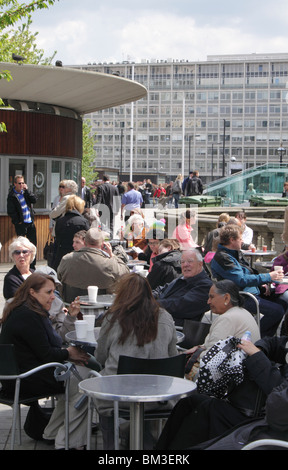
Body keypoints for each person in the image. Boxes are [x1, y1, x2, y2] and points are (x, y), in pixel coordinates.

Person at [0, 272, 90, 450]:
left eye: (54, 292)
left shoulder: (23, 310)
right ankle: (66, 441)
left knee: (77, 380)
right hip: (27, 380)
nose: (53, 297)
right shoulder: (29, 316)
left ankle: (51, 432)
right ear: (32, 292)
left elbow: (51, 346)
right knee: (85, 383)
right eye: (49, 292)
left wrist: (70, 320)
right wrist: (68, 353)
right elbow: (48, 354)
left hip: (18, 378)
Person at [156, 335, 288, 450]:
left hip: (264, 421)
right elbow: (274, 343)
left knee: (204, 411)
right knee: (188, 403)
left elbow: (279, 399)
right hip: (257, 408)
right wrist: (260, 349)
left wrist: (256, 356)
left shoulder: (228, 318)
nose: (208, 303)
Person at [94, 272, 178, 449]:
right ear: (149, 292)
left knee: (97, 390)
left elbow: (100, 357)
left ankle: (111, 446)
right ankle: (144, 442)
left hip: (117, 397)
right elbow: (172, 356)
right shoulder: (165, 317)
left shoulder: (112, 318)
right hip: (159, 398)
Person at [211, 224, 286, 337]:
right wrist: (269, 277)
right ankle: (256, 337)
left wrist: (262, 284)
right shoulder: (223, 257)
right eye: (240, 239)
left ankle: (273, 339)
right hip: (241, 296)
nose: (242, 241)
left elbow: (248, 274)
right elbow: (241, 280)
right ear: (232, 240)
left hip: (251, 292)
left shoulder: (235, 253)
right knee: (277, 311)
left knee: (284, 301)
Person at [185, 280, 261, 367]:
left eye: (212, 297)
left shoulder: (227, 319)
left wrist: (194, 355)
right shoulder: (242, 312)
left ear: (226, 298)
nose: (208, 301)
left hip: (233, 373)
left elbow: (211, 356)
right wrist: (199, 348)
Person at [57, 227, 129, 302]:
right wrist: (112, 255)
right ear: (102, 244)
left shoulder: (66, 260)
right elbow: (126, 274)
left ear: (84, 242)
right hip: (102, 308)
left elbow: (59, 281)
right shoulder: (109, 264)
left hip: (72, 306)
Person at [153, 249, 213, 326]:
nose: (185, 265)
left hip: (172, 327)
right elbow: (162, 289)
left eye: (190, 261)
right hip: (159, 318)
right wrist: (148, 296)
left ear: (200, 264)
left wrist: (153, 304)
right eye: (182, 262)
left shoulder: (205, 286)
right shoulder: (183, 278)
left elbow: (179, 306)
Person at [7, 175, 37, 267]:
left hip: (30, 223)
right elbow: (11, 211)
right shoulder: (12, 195)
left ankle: (32, 266)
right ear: (15, 184)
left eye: (23, 183)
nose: (21, 185)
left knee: (32, 245)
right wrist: (17, 221)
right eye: (19, 183)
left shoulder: (26, 193)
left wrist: (27, 190)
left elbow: (34, 200)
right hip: (21, 224)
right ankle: (21, 265)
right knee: (21, 246)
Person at [52, 195, 90, 270]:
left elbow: (57, 238)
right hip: (78, 257)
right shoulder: (83, 221)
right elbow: (87, 240)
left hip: (61, 256)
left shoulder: (60, 221)